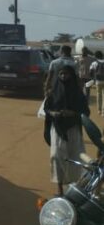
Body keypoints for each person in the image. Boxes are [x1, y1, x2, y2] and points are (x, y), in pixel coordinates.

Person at [43, 65, 90, 196]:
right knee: (56, 157)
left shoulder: (78, 94)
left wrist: (73, 113)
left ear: (72, 76)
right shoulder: (52, 92)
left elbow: (86, 111)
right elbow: (47, 109)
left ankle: (74, 188)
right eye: (61, 74)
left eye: (66, 74)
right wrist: (53, 113)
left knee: (74, 158)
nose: (63, 77)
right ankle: (59, 188)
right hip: (57, 129)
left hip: (73, 129)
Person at [91, 51, 104, 116]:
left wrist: (93, 78)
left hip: (98, 81)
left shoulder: (94, 63)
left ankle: (99, 110)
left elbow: (91, 71)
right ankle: (103, 112)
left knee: (99, 95)